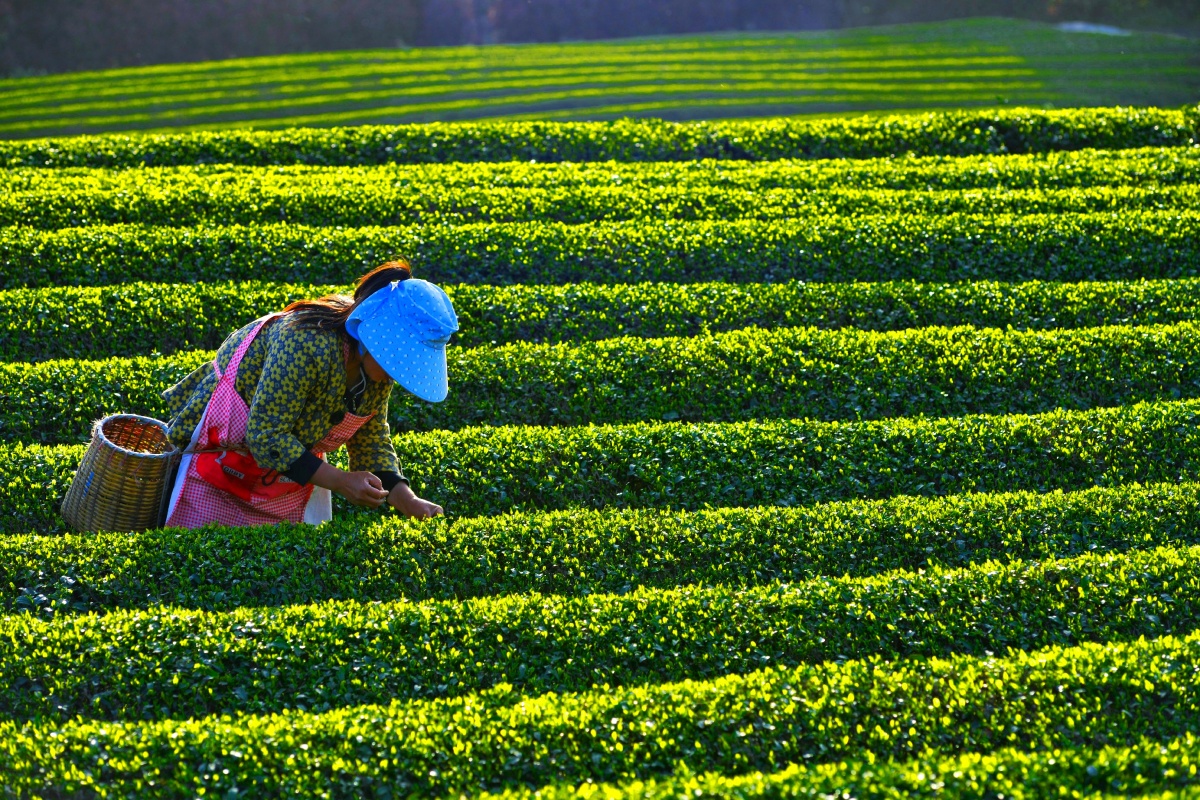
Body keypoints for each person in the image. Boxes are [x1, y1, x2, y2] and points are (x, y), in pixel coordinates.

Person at [162, 260, 455, 529]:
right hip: (217, 467)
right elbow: (266, 435)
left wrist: (406, 498)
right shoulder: (304, 343)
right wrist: (340, 481)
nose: (397, 374)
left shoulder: (375, 370)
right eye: (398, 360)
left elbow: (371, 436)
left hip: (281, 487)